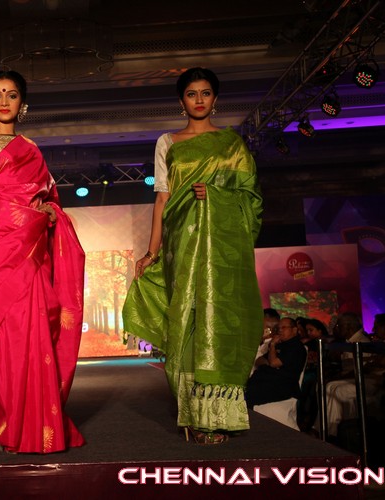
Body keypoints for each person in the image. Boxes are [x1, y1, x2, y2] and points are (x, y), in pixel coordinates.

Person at [122, 67, 263, 444]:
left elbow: (251, 197)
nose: (199, 100)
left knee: (218, 318)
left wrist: (217, 194)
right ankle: (193, 412)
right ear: (181, 101)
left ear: (215, 99)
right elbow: (162, 198)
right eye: (191, 94)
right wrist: (152, 251)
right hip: (182, 243)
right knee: (186, 317)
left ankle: (217, 414)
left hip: (222, 247)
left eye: (205, 93)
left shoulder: (232, 145)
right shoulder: (168, 142)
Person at [0, 70, 86, 454]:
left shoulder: (31, 148)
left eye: (11, 95)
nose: (4, 101)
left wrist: (49, 212)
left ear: (23, 104)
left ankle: (36, 423)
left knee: (34, 334)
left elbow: (50, 197)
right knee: (3, 340)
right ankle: (10, 423)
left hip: (31, 250)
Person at [246, 317, 307, 406]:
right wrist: (270, 361)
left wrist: (272, 345)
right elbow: (259, 361)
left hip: (280, 385)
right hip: (262, 380)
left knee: (245, 396)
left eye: (284, 327)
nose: (280, 330)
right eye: (279, 328)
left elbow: (274, 363)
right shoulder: (280, 345)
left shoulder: (296, 347)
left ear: (294, 330)